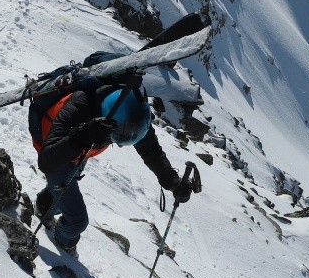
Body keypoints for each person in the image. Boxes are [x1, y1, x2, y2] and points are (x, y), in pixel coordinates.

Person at [30, 81, 198, 256]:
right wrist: (82, 135)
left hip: (79, 149)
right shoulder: (80, 106)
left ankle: (44, 205)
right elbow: (46, 161)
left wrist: (172, 181)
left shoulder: (134, 116)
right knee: (77, 221)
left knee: (63, 190)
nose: (122, 142)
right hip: (56, 148)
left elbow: (150, 150)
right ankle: (64, 246)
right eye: (118, 136)